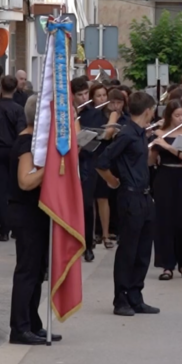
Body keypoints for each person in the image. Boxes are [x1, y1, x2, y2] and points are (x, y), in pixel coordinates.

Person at [97, 91, 161, 317]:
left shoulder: (142, 133)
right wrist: (113, 181)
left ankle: (136, 296)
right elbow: (102, 161)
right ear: (147, 111)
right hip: (130, 196)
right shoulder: (126, 134)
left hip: (145, 196)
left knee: (143, 250)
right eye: (153, 110)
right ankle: (121, 299)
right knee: (128, 250)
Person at [7, 95, 62, 346]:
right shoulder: (26, 143)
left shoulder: (35, 143)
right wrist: (51, 166)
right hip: (26, 214)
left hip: (37, 213)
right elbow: (25, 181)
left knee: (38, 271)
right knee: (27, 272)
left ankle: (33, 323)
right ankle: (19, 328)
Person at [149, 100, 182, 280]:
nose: (180, 119)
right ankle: (167, 265)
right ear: (169, 116)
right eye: (177, 115)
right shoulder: (159, 133)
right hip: (165, 177)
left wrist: (167, 146)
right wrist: (152, 144)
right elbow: (150, 161)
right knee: (165, 221)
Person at [0, 76, 27, 242]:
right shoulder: (18, 109)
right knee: (14, 190)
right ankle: (15, 227)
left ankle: (3, 228)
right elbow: (21, 132)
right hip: (13, 151)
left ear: (1, 88)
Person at [74, 78, 107, 262]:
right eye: (80, 95)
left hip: (87, 162)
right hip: (70, 163)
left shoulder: (95, 113)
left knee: (87, 204)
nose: (84, 98)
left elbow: (100, 136)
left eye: (86, 94)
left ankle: (88, 244)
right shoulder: (68, 113)